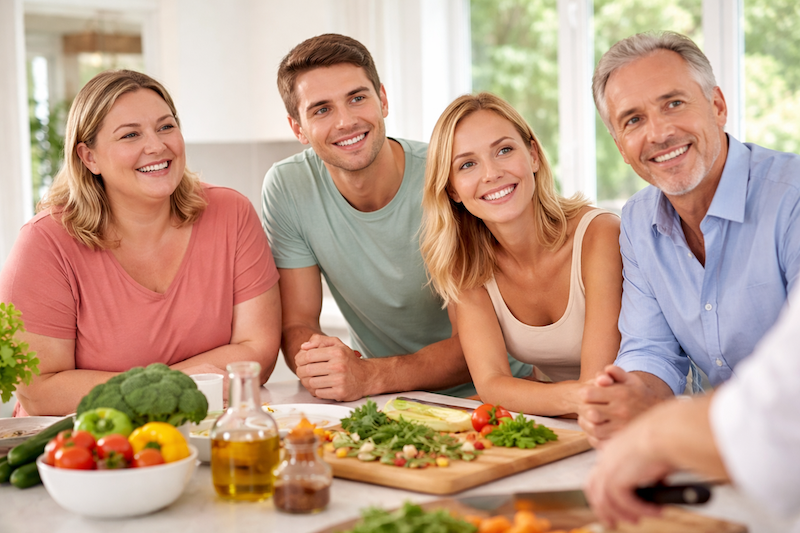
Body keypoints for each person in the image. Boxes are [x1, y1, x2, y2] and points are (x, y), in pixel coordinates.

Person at [262, 34, 532, 402]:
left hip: (500, 394)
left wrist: (368, 376)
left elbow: (474, 347)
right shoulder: (288, 187)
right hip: (391, 400)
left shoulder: (446, 178)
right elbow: (297, 323)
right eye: (321, 109)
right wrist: (321, 365)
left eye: (357, 98)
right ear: (298, 129)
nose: (345, 121)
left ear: (383, 100)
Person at [0, 70, 282, 416]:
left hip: (203, 433)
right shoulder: (45, 242)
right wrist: (178, 383)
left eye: (166, 127)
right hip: (83, 450)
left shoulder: (231, 214)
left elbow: (259, 352)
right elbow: (41, 392)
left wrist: (164, 386)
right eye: (130, 135)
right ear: (89, 157)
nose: (157, 146)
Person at [579, 31, 800, 446]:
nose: (659, 133)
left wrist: (672, 418)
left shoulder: (793, 200)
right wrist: (626, 397)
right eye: (634, 120)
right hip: (723, 450)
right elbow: (650, 349)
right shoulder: (638, 220)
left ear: (717, 106)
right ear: (621, 148)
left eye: (673, 104)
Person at [420, 93, 622, 416]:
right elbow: (490, 383)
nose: (491, 174)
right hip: (566, 426)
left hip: (650, 424)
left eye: (504, 150)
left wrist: (524, 396)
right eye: (467, 164)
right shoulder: (468, 267)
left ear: (533, 156)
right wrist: (568, 398)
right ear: (453, 190)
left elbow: (601, 391)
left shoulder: (599, 235)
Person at [585, 292, 800, 529]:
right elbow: (649, 349)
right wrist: (628, 400)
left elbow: (778, 415)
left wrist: (652, 432)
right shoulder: (642, 253)